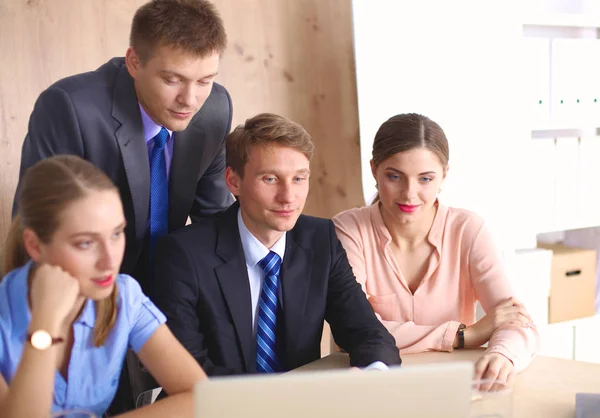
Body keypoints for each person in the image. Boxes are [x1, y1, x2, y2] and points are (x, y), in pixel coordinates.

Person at [153, 113, 401, 375]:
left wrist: (373, 377)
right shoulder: (184, 254)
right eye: (270, 179)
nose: (288, 197)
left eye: (298, 179)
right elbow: (187, 369)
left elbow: (367, 331)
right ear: (233, 181)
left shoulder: (320, 240)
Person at [14, 0, 234, 295]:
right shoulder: (70, 109)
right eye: (172, 80)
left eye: (205, 81)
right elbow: (38, 232)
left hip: (173, 293)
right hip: (86, 293)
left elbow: (216, 224)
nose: (190, 100)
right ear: (133, 62)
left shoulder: (214, 109)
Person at [333, 113, 539, 385]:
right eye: (395, 176)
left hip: (452, 387)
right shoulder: (348, 230)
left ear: (444, 175)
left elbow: (518, 322)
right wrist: (465, 335)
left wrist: (501, 355)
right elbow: (356, 329)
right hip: (372, 387)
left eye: (425, 179)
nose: (409, 193)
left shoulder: (468, 230)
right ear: (374, 170)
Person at [0, 156, 206, 417]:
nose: (110, 261)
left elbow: (198, 397)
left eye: (116, 233)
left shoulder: (124, 296)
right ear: (35, 245)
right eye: (86, 243)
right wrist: (45, 323)